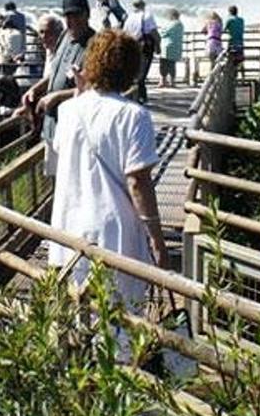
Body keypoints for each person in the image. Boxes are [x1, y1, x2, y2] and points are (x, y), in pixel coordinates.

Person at [47, 28, 169, 338]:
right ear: (130, 69)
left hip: (69, 225)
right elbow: (138, 182)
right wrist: (157, 239)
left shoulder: (68, 109)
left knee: (76, 316)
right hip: (115, 231)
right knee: (120, 320)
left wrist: (79, 93)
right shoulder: (134, 115)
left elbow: (63, 149)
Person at [17, 0, 95, 177]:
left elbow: (94, 88)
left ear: (87, 14)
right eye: (68, 16)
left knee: (73, 180)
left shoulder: (95, 44)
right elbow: (55, 73)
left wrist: (58, 96)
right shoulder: (65, 37)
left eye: (76, 15)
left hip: (75, 129)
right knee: (54, 180)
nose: (72, 21)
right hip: (51, 126)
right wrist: (36, 89)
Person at [123, 0, 158, 102]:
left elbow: (125, 33)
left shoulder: (129, 17)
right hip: (145, 47)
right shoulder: (147, 16)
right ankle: (140, 97)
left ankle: (141, 96)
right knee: (142, 72)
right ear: (143, 5)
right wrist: (158, 44)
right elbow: (153, 32)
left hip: (132, 46)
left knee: (136, 71)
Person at [0, 1, 27, 75]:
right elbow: (23, 29)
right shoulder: (22, 16)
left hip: (7, 43)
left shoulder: (4, 15)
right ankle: (11, 77)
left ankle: (6, 80)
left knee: (5, 65)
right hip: (20, 44)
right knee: (14, 65)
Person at [158, 7, 184, 87]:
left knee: (163, 64)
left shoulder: (173, 23)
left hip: (167, 46)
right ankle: (172, 82)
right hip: (176, 47)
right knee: (172, 65)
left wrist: (161, 29)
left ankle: (163, 81)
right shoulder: (180, 24)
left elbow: (163, 32)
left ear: (172, 16)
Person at [224, 5, 246, 73]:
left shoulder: (229, 20)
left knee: (230, 58)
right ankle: (241, 74)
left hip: (232, 42)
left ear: (230, 12)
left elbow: (224, 29)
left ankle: (232, 73)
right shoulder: (241, 20)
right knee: (240, 59)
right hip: (240, 42)